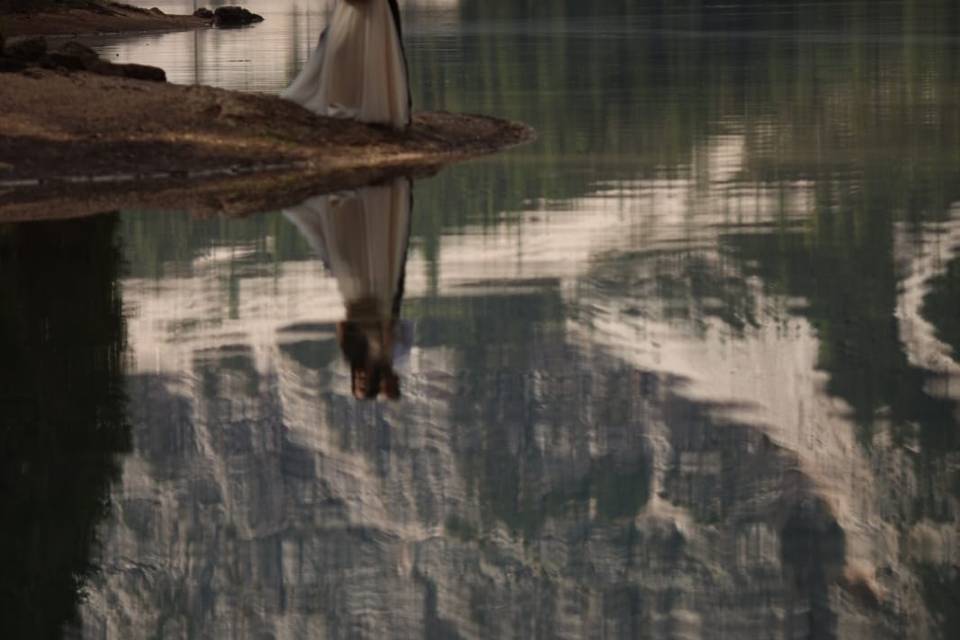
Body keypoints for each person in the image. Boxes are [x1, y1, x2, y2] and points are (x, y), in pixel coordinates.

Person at [284, 178, 413, 400]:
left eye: (357, 383)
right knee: (361, 253)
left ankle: (347, 207)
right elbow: (391, 325)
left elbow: (342, 324)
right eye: (364, 383)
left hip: (354, 299)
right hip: (378, 295)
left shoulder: (351, 354)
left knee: (345, 255)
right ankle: (360, 203)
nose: (360, 379)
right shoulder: (389, 354)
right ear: (373, 381)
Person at [281, 0, 412, 130]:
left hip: (377, 8)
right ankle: (350, 100)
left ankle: (394, 107)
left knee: (376, 51)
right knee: (343, 49)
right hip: (357, 10)